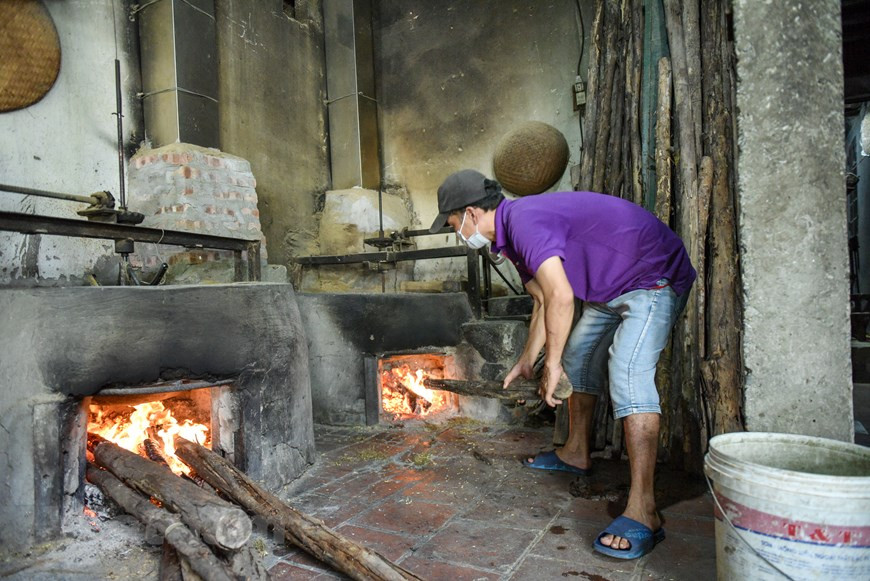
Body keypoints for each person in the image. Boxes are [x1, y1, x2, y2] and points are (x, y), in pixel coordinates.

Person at [429, 169, 696, 560]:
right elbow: (541, 300)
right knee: (579, 355)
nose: (456, 232)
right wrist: (526, 362)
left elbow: (562, 296)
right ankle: (575, 453)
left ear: (470, 212)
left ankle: (644, 509)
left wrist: (550, 364)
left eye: (453, 222)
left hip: (653, 276)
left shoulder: (523, 221)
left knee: (626, 370)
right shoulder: (507, 239)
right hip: (614, 285)